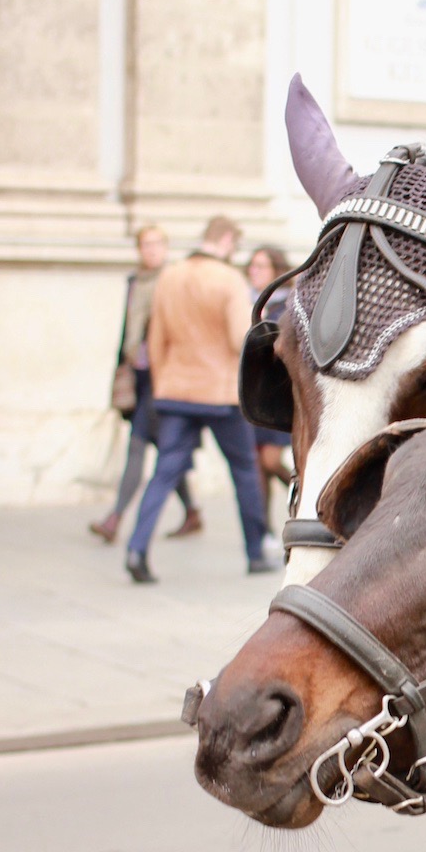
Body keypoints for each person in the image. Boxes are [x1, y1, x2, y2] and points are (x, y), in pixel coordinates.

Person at [125, 217, 274, 584]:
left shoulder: (170, 276)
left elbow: (155, 338)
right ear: (225, 240)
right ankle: (255, 553)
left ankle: (137, 547)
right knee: (244, 472)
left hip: (176, 391)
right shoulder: (228, 280)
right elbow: (242, 340)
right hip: (221, 394)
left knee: (164, 472)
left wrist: (162, 384)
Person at [89, 226, 201, 544]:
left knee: (138, 445)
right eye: (144, 245)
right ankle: (192, 510)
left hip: (163, 377)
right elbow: (128, 331)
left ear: (165, 247)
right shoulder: (134, 282)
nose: (150, 250)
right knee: (165, 449)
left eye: (155, 244)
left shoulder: (174, 282)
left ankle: (115, 518)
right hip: (138, 376)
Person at [246, 245, 295, 524]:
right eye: (252, 266)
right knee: (257, 466)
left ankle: (307, 498)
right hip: (255, 391)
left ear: (276, 271)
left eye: (261, 266)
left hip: (278, 390)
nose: (254, 271)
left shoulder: (286, 305)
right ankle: (261, 527)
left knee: (270, 460)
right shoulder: (248, 302)